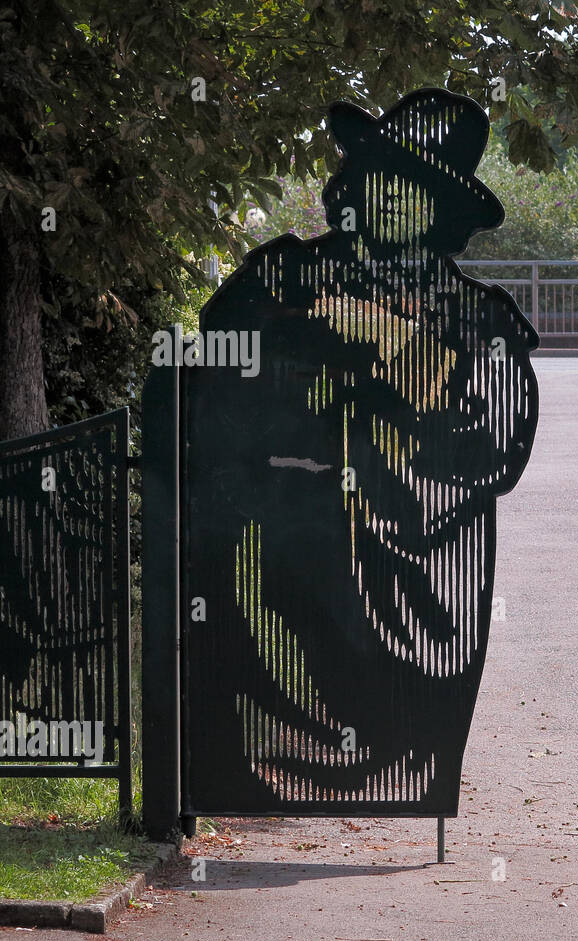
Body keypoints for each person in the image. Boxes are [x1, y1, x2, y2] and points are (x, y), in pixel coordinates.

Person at [182, 88, 538, 816]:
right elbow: (202, 389)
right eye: (382, 179)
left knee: (396, 746)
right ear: (356, 187)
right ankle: (233, 791)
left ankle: (397, 795)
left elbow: (497, 448)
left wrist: (400, 348)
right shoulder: (278, 278)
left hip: (413, 602)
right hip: (271, 588)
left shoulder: (479, 318)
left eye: (417, 187)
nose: (395, 200)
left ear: (444, 208)